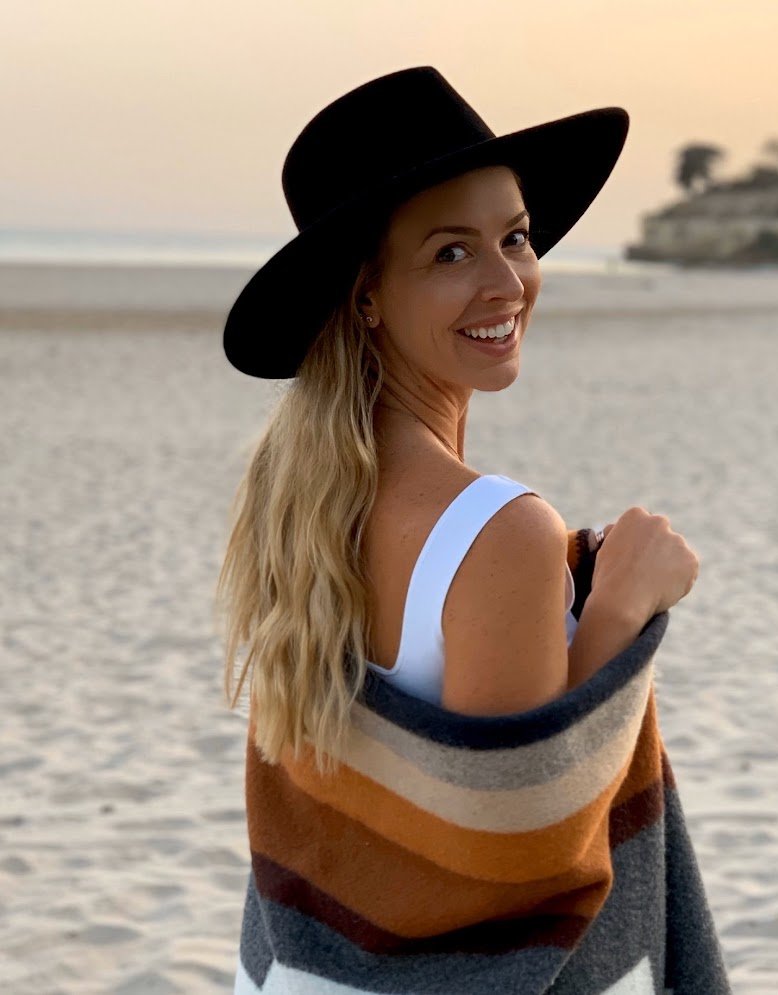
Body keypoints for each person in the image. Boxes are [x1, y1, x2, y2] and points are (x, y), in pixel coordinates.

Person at [217, 67, 731, 993]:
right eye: (452, 253)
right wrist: (620, 609)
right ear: (367, 294)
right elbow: (519, 851)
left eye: (516, 237)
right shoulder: (498, 533)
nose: (507, 282)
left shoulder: (290, 498)